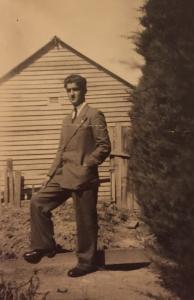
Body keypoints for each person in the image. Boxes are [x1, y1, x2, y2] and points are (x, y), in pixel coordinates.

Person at [23, 74, 111, 277]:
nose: (71, 93)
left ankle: (86, 262)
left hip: (83, 177)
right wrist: (49, 173)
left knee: (85, 221)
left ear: (84, 90)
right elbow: (61, 149)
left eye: (75, 89)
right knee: (38, 202)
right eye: (68, 90)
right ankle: (45, 245)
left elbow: (104, 146)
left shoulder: (94, 114)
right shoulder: (66, 119)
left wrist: (87, 164)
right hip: (64, 174)